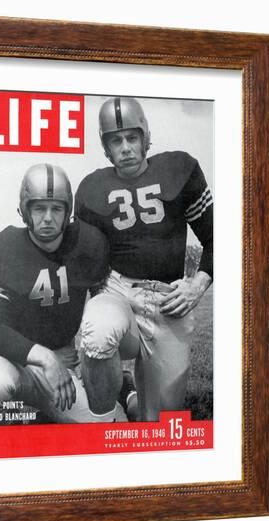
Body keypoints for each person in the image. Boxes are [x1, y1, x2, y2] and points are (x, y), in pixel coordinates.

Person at [75, 96, 213, 421]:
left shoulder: (180, 169)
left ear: (145, 137)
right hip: (119, 292)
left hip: (169, 300)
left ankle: (131, 396)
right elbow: (85, 260)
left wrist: (197, 285)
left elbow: (219, 236)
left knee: (160, 423)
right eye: (116, 140)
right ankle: (106, 423)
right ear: (106, 147)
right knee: (97, 331)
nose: (125, 147)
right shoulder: (92, 189)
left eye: (131, 138)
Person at [0, 163, 129, 423]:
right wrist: (46, 357)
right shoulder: (1, 250)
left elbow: (105, 300)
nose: (48, 217)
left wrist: (85, 364)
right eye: (39, 208)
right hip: (10, 362)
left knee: (105, 429)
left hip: (63, 365)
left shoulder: (86, 244)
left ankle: (125, 387)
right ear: (25, 210)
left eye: (56, 208)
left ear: (67, 210)